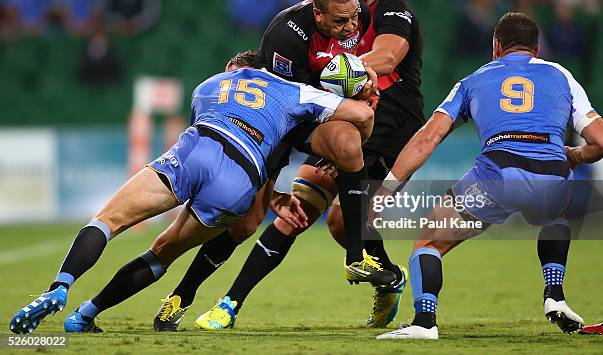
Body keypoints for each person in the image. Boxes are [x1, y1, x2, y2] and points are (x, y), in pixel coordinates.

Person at [155, 0, 427, 332]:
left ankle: (388, 277)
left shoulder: (390, 9)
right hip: (338, 124)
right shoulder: (320, 20)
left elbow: (385, 57)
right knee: (283, 214)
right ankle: (225, 304)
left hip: (389, 131)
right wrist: (331, 85)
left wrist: (342, 73)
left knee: (340, 223)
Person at [9, 49, 375, 334]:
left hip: (196, 148)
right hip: (241, 177)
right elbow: (359, 115)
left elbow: (204, 119)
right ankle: (86, 313)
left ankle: (59, 286)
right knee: (163, 252)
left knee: (107, 221)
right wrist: (364, 99)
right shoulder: (293, 90)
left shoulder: (210, 84)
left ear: (234, 68)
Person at [375, 12, 603, 340]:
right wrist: (573, 156)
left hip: (495, 176)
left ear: (496, 46)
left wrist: (388, 188)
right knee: (553, 216)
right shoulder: (561, 76)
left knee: (428, 240)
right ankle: (554, 294)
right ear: (537, 49)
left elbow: (427, 139)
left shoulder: (473, 80)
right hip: (551, 175)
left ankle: (424, 322)